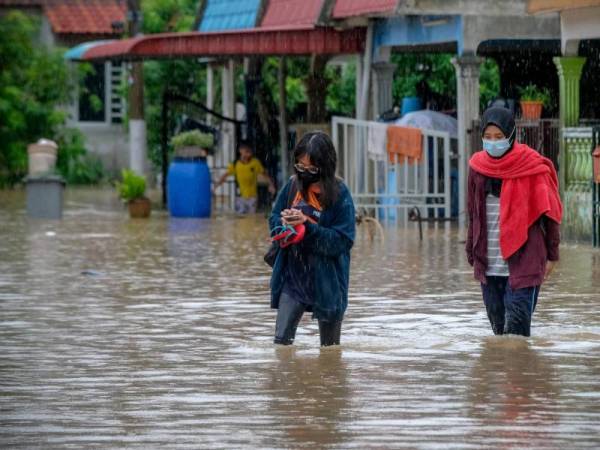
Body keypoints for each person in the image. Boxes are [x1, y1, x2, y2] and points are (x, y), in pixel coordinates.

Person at [466, 107, 562, 337]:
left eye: (498, 137)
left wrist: (552, 256)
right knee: (498, 335)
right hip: (489, 267)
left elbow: (550, 214)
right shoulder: (477, 168)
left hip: (525, 263)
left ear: (511, 135)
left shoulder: (531, 166)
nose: (493, 142)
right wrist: (472, 254)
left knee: (517, 338)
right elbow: (473, 215)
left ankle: (522, 374)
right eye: (487, 137)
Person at [269, 131, 356, 346]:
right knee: (281, 345)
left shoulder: (340, 194)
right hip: (294, 276)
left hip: (328, 281)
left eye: (312, 169)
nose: (305, 173)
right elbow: (273, 216)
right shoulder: (292, 186)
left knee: (330, 351)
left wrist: (306, 226)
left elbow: (342, 241)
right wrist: (284, 226)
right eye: (300, 167)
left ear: (326, 167)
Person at [214, 141, 275, 214]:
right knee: (241, 218)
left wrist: (271, 185)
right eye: (246, 151)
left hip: (253, 197)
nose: (247, 154)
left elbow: (265, 174)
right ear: (240, 150)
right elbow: (225, 176)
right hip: (240, 198)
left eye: (249, 151)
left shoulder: (255, 162)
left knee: (251, 218)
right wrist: (216, 186)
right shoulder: (235, 164)